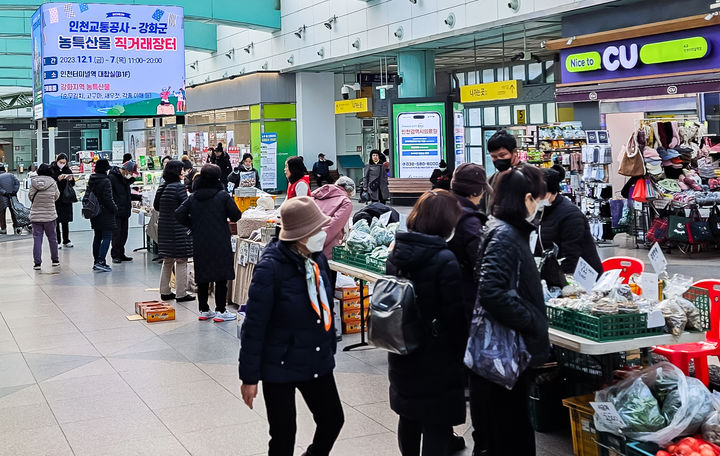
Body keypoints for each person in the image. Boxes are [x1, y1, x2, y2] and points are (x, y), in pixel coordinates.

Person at [239, 196, 344, 456]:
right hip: (279, 364)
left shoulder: (316, 259)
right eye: (317, 229)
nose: (322, 233)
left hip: (315, 357)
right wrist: (249, 378)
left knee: (332, 420)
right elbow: (253, 326)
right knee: (283, 436)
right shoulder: (271, 267)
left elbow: (323, 305)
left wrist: (328, 346)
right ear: (301, 234)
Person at [471, 164, 550, 456]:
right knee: (507, 429)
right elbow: (491, 291)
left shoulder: (503, 228)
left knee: (504, 427)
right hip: (502, 355)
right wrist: (532, 320)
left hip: (500, 354)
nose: (539, 204)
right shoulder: (505, 234)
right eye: (537, 198)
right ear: (527, 198)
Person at [385, 190, 466, 456]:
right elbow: (454, 315)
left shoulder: (396, 252)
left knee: (408, 414)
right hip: (436, 355)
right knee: (436, 422)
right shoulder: (444, 260)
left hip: (401, 346)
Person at [446, 163, 490, 454]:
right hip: (464, 302)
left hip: (445, 300)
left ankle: (447, 430)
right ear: (477, 191)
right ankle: (483, 443)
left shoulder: (442, 209)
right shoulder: (470, 221)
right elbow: (483, 265)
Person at [176, 164, 242, 321]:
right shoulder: (223, 196)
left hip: (200, 240)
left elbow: (179, 214)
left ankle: (204, 309)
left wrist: (193, 225)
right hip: (220, 240)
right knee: (221, 276)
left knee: (203, 275)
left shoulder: (193, 197)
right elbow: (236, 216)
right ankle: (220, 310)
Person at [538, 165, 603, 274]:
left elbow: (571, 257)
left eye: (539, 194)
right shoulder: (541, 211)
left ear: (552, 191)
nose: (535, 198)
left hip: (581, 277)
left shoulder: (571, 215)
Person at [154, 160, 195, 302]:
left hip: (165, 229)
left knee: (168, 260)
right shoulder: (178, 187)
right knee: (182, 260)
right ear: (176, 172)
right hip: (178, 228)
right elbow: (186, 207)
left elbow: (157, 207)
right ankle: (181, 293)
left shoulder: (162, 186)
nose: (183, 172)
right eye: (181, 170)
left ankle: (165, 291)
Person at [311, 176, 354, 258]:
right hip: (325, 249)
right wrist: (316, 243)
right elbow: (333, 225)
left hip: (305, 243)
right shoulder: (345, 202)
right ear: (350, 191)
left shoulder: (318, 194)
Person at [86, 159, 117, 272]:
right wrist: (115, 209)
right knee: (107, 237)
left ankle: (96, 261)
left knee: (97, 236)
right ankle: (101, 261)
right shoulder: (106, 181)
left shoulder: (91, 180)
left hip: (94, 212)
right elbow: (108, 198)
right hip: (105, 213)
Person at [108, 160, 142, 264]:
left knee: (124, 234)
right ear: (126, 170)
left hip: (125, 210)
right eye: (131, 173)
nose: (131, 175)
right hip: (116, 211)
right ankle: (115, 255)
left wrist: (139, 197)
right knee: (116, 235)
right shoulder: (112, 178)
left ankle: (121, 254)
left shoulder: (124, 180)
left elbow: (126, 195)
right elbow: (111, 195)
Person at [481, 131, 522, 214]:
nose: (498, 159)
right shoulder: (491, 180)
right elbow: (483, 208)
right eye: (494, 156)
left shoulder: (530, 175)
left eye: (502, 155)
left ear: (515, 152)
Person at [29, 164, 60, 270]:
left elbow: (30, 196)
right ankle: (55, 260)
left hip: (36, 216)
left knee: (37, 239)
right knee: (52, 238)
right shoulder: (52, 182)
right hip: (50, 215)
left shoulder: (33, 182)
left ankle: (37, 263)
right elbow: (56, 196)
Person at [50, 154, 75, 248]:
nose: (62, 164)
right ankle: (57, 241)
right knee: (56, 221)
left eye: (64, 163)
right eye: (61, 162)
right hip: (56, 198)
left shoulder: (68, 170)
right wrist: (57, 179)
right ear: (57, 161)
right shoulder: (52, 169)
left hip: (66, 198)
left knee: (65, 220)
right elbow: (51, 182)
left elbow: (72, 184)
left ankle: (66, 240)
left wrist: (71, 179)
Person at [0, 165, 20, 234]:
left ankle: (3, 229)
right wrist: (14, 191)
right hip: (12, 196)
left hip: (2, 197)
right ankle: (16, 227)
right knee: (14, 212)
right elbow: (17, 183)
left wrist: (5, 193)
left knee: (2, 213)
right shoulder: (11, 175)